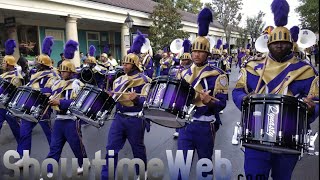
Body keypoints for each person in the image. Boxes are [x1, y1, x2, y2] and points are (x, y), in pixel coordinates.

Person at [232, 0, 319, 179]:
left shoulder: (306, 70)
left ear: (290, 44)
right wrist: (244, 99)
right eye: (275, 42)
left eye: (284, 42)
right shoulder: (252, 66)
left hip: (289, 137)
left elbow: (316, 101)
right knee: (254, 175)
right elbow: (238, 91)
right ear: (269, 44)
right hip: (255, 133)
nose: (279, 46)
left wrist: (311, 107)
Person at [177, 8, 228, 178]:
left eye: (200, 51)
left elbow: (222, 103)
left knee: (204, 165)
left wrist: (209, 102)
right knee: (180, 166)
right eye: (194, 51)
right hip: (184, 124)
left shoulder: (218, 74)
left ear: (207, 53)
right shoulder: (182, 73)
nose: (196, 54)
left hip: (205, 126)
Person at [101, 33, 151, 180]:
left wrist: (136, 101)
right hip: (119, 118)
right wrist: (110, 97)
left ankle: (142, 171)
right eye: (123, 63)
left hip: (135, 119)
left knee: (137, 148)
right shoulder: (119, 80)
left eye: (127, 63)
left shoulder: (144, 80)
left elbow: (147, 103)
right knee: (111, 148)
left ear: (135, 64)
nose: (124, 65)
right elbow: (116, 99)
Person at [43, 40, 87, 178]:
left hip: (71, 120)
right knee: (54, 148)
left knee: (76, 147)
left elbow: (77, 102)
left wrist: (60, 102)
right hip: (59, 120)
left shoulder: (76, 83)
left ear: (71, 71)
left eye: (65, 70)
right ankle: (48, 171)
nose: (62, 72)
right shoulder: (56, 82)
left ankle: (84, 163)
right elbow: (47, 91)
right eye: (61, 69)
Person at [14, 36, 60, 167]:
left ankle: (54, 157)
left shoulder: (53, 75)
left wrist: (40, 91)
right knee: (24, 131)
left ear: (43, 64)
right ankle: (24, 157)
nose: (36, 64)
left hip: (44, 107)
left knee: (50, 135)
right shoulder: (34, 74)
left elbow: (51, 90)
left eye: (38, 63)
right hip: (30, 106)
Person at [0, 39, 24, 143]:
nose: (2, 64)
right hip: (1, 107)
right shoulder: (2, 75)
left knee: (18, 132)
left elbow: (13, 91)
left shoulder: (16, 77)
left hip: (10, 108)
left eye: (4, 62)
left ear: (9, 64)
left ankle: (24, 154)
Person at [168, 39, 193, 138]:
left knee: (187, 111)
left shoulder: (192, 70)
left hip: (188, 91)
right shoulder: (178, 69)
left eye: (186, 60)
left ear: (190, 60)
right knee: (177, 110)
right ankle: (178, 129)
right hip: (179, 91)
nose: (183, 61)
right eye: (182, 60)